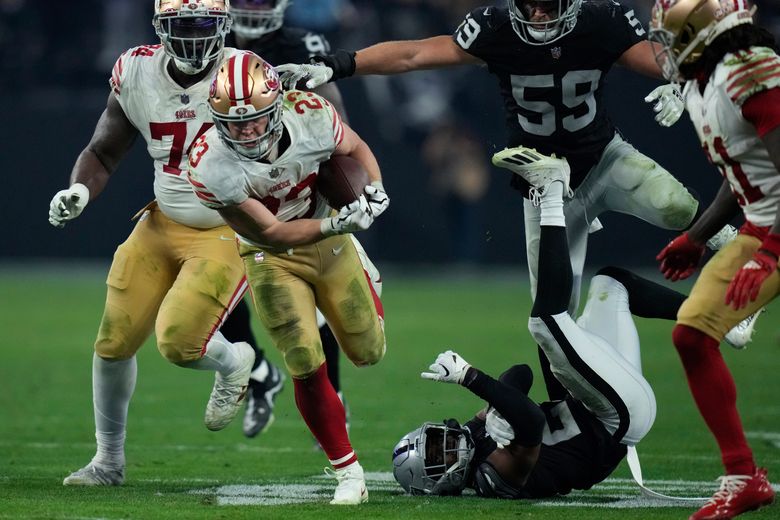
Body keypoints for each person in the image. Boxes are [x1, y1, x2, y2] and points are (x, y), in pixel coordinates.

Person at [276, 0, 749, 398]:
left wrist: (685, 79)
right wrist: (341, 62)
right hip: (544, 186)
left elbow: (659, 58)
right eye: (530, 4)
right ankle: (570, 414)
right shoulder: (497, 28)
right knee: (552, 319)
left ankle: (739, 255)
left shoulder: (599, 19)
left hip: (603, 159)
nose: (539, 14)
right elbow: (416, 55)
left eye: (549, 4)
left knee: (671, 203)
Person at [49, 0, 267, 487]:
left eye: (203, 25)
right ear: (158, 28)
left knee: (180, 343)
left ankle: (236, 361)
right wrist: (80, 189)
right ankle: (108, 461)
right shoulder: (137, 71)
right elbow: (102, 152)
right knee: (112, 342)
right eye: (181, 25)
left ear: (224, 26)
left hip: (225, 228)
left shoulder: (245, 73)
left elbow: (283, 150)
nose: (192, 36)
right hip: (161, 221)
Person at [393, 148, 673, 499]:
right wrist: (470, 378)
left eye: (434, 439)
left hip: (600, 404)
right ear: (441, 481)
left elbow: (520, 374)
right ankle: (553, 193)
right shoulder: (490, 477)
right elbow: (530, 421)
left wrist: (492, 410)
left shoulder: (474, 437)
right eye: (437, 455)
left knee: (611, 284)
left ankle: (716, 317)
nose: (445, 442)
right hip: (616, 417)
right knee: (545, 323)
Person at [186, 51, 389, 505]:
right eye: (235, 124)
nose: (247, 131)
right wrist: (338, 223)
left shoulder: (310, 114)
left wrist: (374, 189)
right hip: (270, 253)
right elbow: (273, 231)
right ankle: (347, 471)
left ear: (277, 106)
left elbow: (353, 147)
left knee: (368, 352)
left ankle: (358, 262)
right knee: (302, 354)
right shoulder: (208, 162)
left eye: (256, 119)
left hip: (328, 243)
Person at [649, 1, 779, 518]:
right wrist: (699, 236)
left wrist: (769, 252)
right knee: (692, 334)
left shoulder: (752, 71)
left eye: (672, 37)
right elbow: (743, 168)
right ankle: (743, 476)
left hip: (772, 236)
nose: (666, 49)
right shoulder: (707, 80)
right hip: (762, 228)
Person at [228, 0, 355, 440]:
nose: (251, 8)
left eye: (260, 0)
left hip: (296, 183)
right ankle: (261, 371)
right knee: (214, 288)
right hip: (235, 184)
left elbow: (334, 121)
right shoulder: (210, 43)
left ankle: (333, 395)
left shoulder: (301, 44)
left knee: (319, 300)